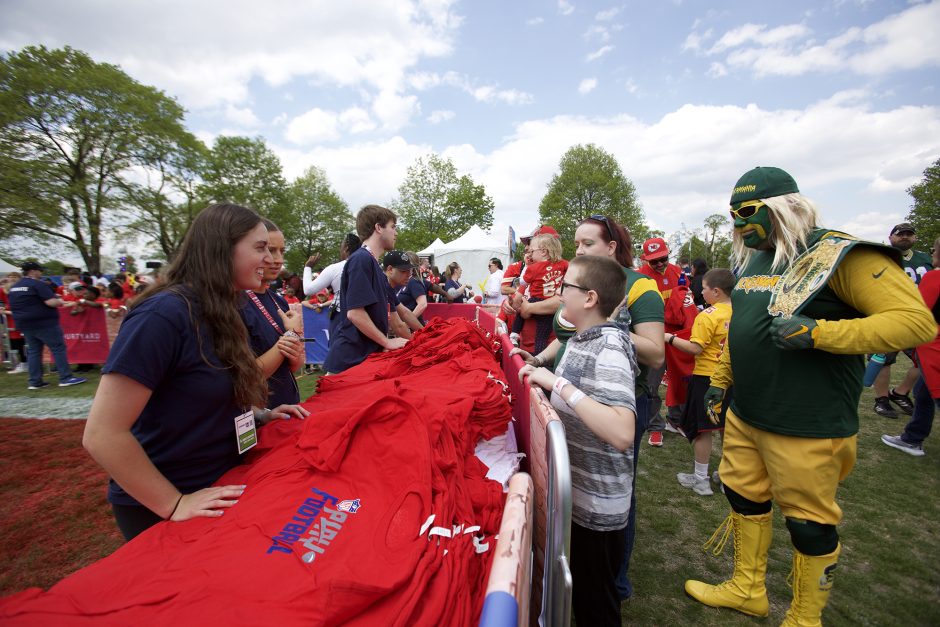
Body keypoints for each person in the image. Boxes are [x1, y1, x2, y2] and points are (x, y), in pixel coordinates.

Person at [684, 167, 935, 625]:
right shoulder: (758, 258)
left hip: (806, 420)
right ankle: (747, 589)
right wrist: (721, 380)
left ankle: (804, 617)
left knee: (807, 520)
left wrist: (820, 333)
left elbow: (914, 322)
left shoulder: (840, 253)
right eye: (733, 213)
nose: (740, 223)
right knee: (743, 495)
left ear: (785, 207)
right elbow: (744, 327)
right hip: (748, 411)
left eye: (749, 212)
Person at [82, 204, 309, 541]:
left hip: (223, 483)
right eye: (260, 248)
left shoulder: (228, 307)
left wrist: (261, 415)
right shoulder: (163, 315)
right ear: (221, 248)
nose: (271, 260)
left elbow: (207, 389)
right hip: (169, 502)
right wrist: (173, 504)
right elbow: (102, 433)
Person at [511, 214, 664, 600]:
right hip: (587, 427)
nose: (577, 251)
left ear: (611, 248)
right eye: (576, 244)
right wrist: (540, 361)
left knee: (613, 505)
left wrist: (605, 329)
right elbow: (567, 339)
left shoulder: (638, 289)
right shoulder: (586, 315)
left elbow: (655, 352)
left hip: (615, 405)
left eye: (587, 244)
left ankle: (616, 582)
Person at [518, 254, 637, 627]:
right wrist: (537, 365)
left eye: (565, 286)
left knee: (595, 606)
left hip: (598, 509)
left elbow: (622, 431)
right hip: (580, 501)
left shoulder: (609, 348)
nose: (558, 292)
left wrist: (558, 384)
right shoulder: (583, 339)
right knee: (582, 596)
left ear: (589, 298)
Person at [666, 268, 735, 496]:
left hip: (707, 378)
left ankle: (700, 479)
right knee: (728, 429)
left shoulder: (708, 315)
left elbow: (696, 348)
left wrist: (670, 338)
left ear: (716, 291)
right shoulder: (740, 312)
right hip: (732, 379)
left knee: (703, 430)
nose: (701, 292)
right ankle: (728, 478)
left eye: (704, 288)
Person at [323, 205, 407, 374]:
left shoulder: (372, 263)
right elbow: (355, 313)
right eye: (393, 227)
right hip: (349, 360)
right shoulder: (361, 260)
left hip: (361, 357)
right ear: (378, 228)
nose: (396, 233)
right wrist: (386, 342)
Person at [882, 235, 940, 456]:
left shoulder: (934, 278)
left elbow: (917, 314)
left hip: (934, 348)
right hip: (931, 346)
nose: (932, 253)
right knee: (922, 393)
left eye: (935, 250)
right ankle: (913, 438)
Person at [871, 222, 934, 418]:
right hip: (890, 315)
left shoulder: (925, 259)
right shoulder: (880, 256)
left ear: (915, 238)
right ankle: (881, 400)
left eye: (909, 234)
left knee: (924, 361)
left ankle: (900, 392)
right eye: (900, 234)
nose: (905, 237)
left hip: (919, 317)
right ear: (891, 238)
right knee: (884, 360)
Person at [240, 218, 305, 409]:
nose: (277, 259)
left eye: (281, 251)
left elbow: (294, 365)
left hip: (288, 405)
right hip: (259, 412)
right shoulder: (236, 303)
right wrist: (291, 336)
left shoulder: (279, 300)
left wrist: (295, 347)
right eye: (268, 249)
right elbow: (248, 375)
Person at [7, 261, 86, 390]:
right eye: (39, 270)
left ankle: (34, 381)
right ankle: (65, 377)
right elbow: (51, 302)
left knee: (34, 351)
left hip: (24, 323)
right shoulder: (37, 284)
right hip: (43, 322)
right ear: (33, 271)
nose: (41, 273)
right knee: (58, 348)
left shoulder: (15, 286)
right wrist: (60, 301)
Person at [638, 237, 686, 447]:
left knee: (681, 382)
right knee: (651, 385)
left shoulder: (677, 272)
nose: (659, 264)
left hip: (678, 338)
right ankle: (655, 426)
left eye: (662, 259)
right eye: (653, 261)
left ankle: (675, 421)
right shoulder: (640, 277)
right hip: (654, 338)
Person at [511, 233, 567, 354]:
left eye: (531, 251)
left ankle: (514, 334)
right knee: (542, 336)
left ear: (543, 251)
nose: (529, 254)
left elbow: (522, 281)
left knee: (521, 313)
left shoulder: (533, 268)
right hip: (550, 309)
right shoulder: (562, 264)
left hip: (536, 300)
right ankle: (539, 359)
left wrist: (526, 268)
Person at [303, 232, 362, 342]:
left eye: (341, 246)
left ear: (346, 248)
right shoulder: (368, 265)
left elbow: (308, 290)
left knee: (338, 352)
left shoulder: (335, 268)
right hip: (364, 316)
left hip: (341, 316)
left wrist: (308, 267)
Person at [382, 250, 424, 338]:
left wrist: (425, 334)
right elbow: (398, 326)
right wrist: (422, 343)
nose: (409, 274)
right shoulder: (382, 286)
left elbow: (404, 312)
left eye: (409, 270)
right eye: (403, 270)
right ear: (390, 269)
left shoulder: (387, 286)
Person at [0, 272, 27, 373]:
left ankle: (25, 363)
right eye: (10, 277)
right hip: (9, 321)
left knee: (22, 342)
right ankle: (16, 363)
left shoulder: (22, 289)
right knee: (12, 342)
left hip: (20, 320)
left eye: (15, 277)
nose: (12, 278)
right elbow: (1, 301)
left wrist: (6, 310)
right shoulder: (3, 289)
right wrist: (2, 307)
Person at [395, 252, 429, 323]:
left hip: (412, 329)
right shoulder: (403, 281)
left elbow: (422, 304)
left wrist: (408, 322)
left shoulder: (413, 281)